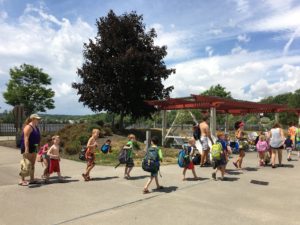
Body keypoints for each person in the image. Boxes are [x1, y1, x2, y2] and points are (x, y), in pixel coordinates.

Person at [19, 114, 41, 186]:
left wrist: (38, 148)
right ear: (32, 119)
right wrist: (26, 149)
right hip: (27, 147)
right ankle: (22, 180)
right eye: (37, 119)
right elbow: (26, 139)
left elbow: (37, 138)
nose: (38, 120)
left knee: (32, 164)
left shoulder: (36, 127)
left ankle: (32, 179)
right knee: (26, 164)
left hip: (34, 147)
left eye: (38, 119)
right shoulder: (28, 127)